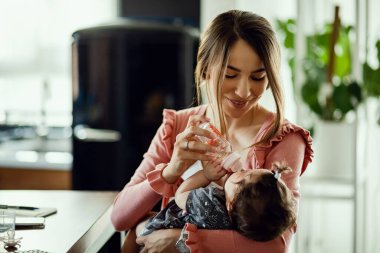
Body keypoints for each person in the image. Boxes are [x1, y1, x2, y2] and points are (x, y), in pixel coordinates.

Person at [111, 9, 313, 253]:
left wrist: (181, 240)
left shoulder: (284, 139)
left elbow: (276, 245)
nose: (244, 91)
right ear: (205, 68)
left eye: (258, 77)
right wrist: (171, 171)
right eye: (230, 74)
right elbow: (119, 218)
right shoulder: (177, 127)